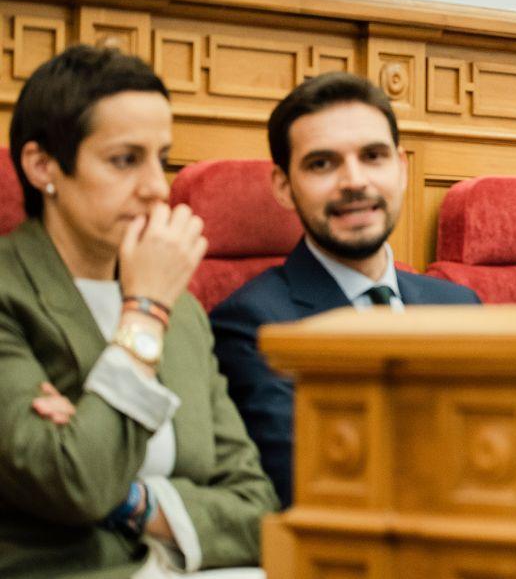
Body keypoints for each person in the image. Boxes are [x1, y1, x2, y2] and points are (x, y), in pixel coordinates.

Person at [0, 45, 277, 578]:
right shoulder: (13, 294)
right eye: (125, 160)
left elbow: (256, 507)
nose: (157, 187)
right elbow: (74, 483)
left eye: (162, 159)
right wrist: (144, 312)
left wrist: (131, 499)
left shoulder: (183, 308)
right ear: (42, 166)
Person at [210, 72, 480, 509]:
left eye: (373, 156)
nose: (354, 181)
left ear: (401, 168)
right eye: (322, 163)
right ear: (283, 187)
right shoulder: (254, 324)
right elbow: (306, 483)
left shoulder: (459, 306)